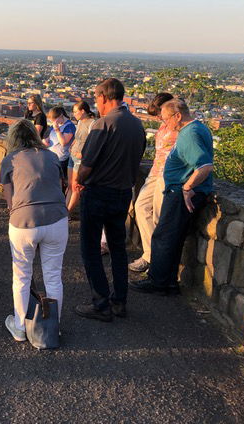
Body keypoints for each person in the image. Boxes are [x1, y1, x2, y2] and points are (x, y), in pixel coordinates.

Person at [74, 78, 146, 321]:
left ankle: (101, 303)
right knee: (117, 249)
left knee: (90, 249)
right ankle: (119, 301)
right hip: (123, 193)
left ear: (104, 97)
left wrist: (78, 181)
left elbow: (87, 163)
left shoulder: (103, 124)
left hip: (98, 193)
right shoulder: (137, 125)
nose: (96, 103)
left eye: (96, 99)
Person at [130, 99, 213, 294]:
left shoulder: (190, 134)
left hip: (180, 193)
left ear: (178, 115)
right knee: (171, 237)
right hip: (179, 190)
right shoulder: (196, 129)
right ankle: (168, 282)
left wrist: (187, 188)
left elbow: (204, 166)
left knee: (164, 236)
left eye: (167, 119)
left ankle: (159, 282)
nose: (165, 123)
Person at [0, 119, 69, 342]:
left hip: (23, 221)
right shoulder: (51, 156)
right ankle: (53, 326)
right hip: (56, 219)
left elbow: (9, 200)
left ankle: (20, 327)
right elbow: (59, 186)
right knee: (53, 275)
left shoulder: (10, 159)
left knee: (21, 275)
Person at [128, 92, 177, 272]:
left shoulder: (179, 126)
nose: (158, 118)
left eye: (158, 114)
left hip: (168, 176)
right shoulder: (165, 126)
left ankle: (154, 261)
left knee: (158, 217)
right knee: (141, 207)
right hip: (155, 173)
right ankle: (150, 254)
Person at [66, 100, 97, 212]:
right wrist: (73, 145)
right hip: (72, 156)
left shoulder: (92, 123)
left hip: (80, 159)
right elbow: (78, 137)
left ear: (83, 111)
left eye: (75, 112)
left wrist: (83, 153)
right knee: (70, 185)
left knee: (75, 186)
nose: (74, 114)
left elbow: (93, 142)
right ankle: (64, 211)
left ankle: (68, 212)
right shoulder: (79, 122)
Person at [44, 106, 76, 189]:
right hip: (51, 156)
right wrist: (45, 141)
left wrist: (57, 130)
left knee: (58, 183)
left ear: (61, 116)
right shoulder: (55, 125)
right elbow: (49, 137)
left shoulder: (69, 126)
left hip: (61, 159)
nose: (53, 122)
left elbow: (63, 142)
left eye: (54, 120)